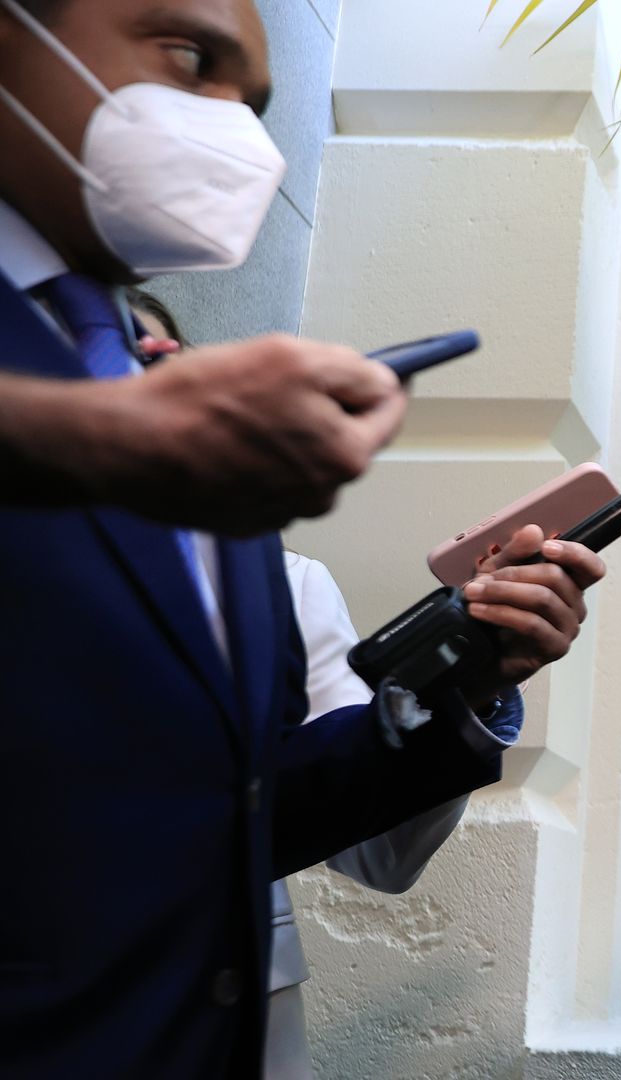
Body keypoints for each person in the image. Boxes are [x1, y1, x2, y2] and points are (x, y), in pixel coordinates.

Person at [0, 1, 609, 1074]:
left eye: (260, 100)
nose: (237, 129)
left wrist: (467, 669)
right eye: (190, 57)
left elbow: (251, 808)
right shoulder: (128, 414)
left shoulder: (199, 443)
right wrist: (96, 433)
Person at [129, 290, 474, 1080]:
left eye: (161, 365)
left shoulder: (279, 581)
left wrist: (468, 681)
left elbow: (378, 856)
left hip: (237, 1029)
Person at [0, 0, 398, 536]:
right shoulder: (162, 418)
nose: (237, 136)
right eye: (192, 58)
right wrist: (107, 433)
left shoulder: (204, 414)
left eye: (252, 110)